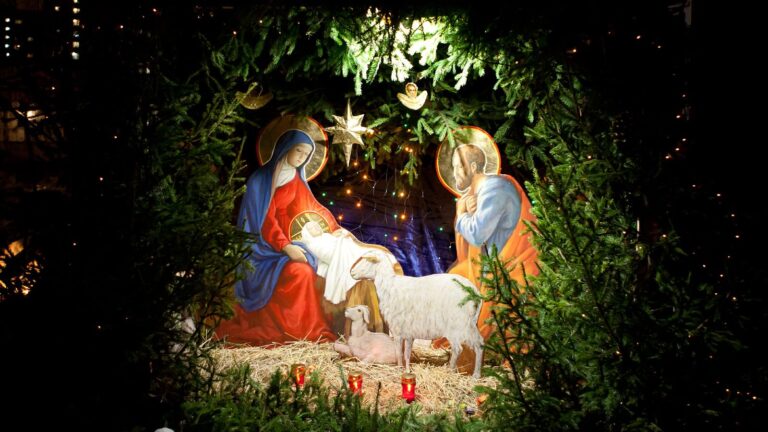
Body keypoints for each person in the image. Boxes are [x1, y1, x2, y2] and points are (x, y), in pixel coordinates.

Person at [215, 129, 339, 346]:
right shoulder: (260, 180)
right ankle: (296, 332)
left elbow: (310, 206)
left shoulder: (294, 178)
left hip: (285, 241)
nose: (301, 158)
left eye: (306, 154)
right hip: (260, 248)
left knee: (312, 267)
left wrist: (333, 228)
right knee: (301, 272)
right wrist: (286, 247)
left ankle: (302, 331)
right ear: (285, 148)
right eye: (298, 151)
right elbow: (265, 219)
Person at [443, 143, 539, 343]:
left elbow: (477, 235)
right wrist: (466, 213)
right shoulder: (479, 193)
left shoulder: (496, 188)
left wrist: (461, 214)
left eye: (458, 166)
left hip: (512, 273)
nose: (454, 173)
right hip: (491, 271)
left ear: (473, 167)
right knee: (455, 279)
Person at [300, 221, 398, 305]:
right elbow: (328, 254)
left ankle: (366, 257)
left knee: (351, 243)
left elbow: (335, 242)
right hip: (337, 258)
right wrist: (341, 241)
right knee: (347, 246)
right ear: (307, 233)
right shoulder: (312, 244)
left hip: (343, 251)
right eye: (312, 228)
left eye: (316, 225)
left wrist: (340, 237)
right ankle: (362, 259)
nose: (316, 227)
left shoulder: (326, 236)